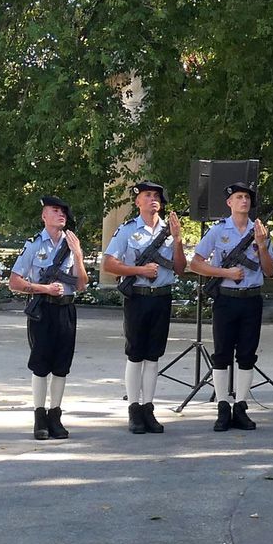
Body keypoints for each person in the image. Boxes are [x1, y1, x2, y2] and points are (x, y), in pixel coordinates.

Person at [189, 182, 273, 432]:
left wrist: (260, 244)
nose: (244, 201)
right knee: (222, 354)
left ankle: (241, 406)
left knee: (247, 354)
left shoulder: (259, 231)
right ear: (229, 203)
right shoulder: (218, 231)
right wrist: (224, 271)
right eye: (238, 197)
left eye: (247, 197)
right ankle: (223, 406)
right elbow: (196, 263)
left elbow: (268, 270)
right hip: (226, 298)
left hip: (251, 299)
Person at [103, 181, 186, 434]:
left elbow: (181, 268)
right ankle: (134, 409)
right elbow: (109, 264)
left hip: (161, 296)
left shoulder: (169, 231)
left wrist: (179, 240)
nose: (153, 199)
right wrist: (139, 270)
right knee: (136, 354)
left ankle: (149, 407)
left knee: (153, 356)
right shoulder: (128, 230)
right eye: (147, 195)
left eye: (157, 196)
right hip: (138, 297)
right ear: (137, 202)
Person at [8, 196, 88, 440]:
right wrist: (45, 289)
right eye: (55, 210)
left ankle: (56, 414)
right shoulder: (34, 244)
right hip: (43, 309)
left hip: (66, 309)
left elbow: (82, 284)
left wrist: (78, 254)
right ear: (44, 216)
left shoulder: (71, 243)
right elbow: (15, 282)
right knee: (41, 364)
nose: (61, 214)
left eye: (63, 211)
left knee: (62, 366)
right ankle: (39, 416)